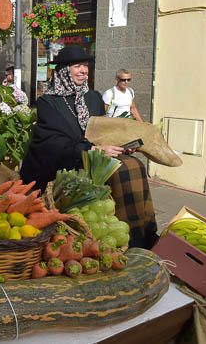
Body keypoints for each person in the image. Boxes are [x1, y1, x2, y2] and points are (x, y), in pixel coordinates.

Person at [19, 46, 157, 249]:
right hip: (62, 163)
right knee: (121, 171)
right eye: (77, 66)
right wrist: (90, 151)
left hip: (93, 156)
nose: (84, 70)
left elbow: (102, 131)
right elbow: (51, 142)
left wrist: (120, 144)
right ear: (64, 70)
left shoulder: (93, 97)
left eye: (85, 66)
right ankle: (124, 238)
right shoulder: (48, 101)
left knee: (133, 165)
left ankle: (141, 234)